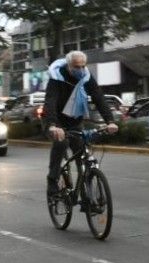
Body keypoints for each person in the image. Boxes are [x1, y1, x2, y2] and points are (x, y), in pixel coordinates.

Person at [44, 51, 118, 193]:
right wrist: (52, 125)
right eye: (77, 67)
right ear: (68, 66)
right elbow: (50, 101)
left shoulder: (86, 76)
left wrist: (110, 121)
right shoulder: (56, 77)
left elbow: (98, 97)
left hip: (74, 120)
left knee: (82, 152)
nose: (81, 70)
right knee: (62, 142)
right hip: (57, 121)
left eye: (83, 66)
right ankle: (52, 179)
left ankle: (85, 192)